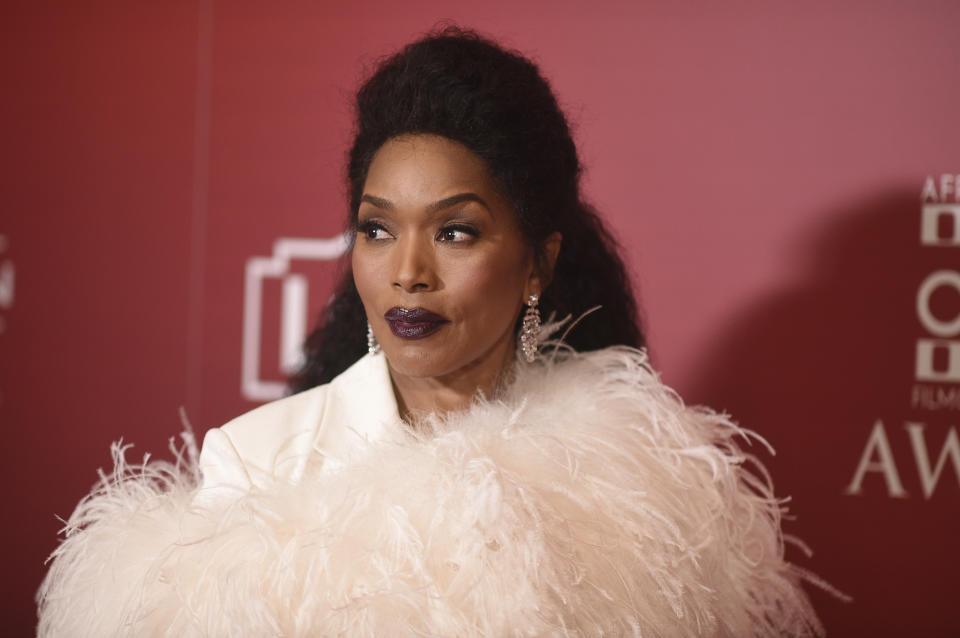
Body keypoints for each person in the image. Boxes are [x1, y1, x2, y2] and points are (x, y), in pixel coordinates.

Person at [37, 27, 826, 636]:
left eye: (455, 232)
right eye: (377, 231)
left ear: (537, 262)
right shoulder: (260, 462)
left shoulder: (632, 479)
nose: (408, 271)